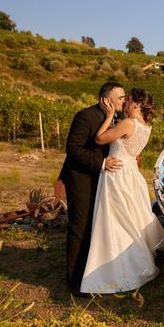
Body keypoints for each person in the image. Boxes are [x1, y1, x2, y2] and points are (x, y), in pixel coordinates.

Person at [80, 88, 164, 294]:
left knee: (116, 219)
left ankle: (126, 267)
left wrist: (109, 115)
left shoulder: (128, 123)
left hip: (116, 173)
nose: (124, 104)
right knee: (130, 216)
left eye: (127, 101)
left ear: (137, 104)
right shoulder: (146, 127)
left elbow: (100, 139)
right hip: (131, 173)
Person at [59, 82, 125, 297]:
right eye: (120, 97)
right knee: (80, 228)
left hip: (101, 181)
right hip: (81, 178)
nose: (124, 101)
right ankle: (75, 283)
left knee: (95, 226)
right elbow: (72, 149)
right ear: (106, 100)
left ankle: (91, 275)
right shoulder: (85, 116)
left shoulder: (117, 119)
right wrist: (102, 163)